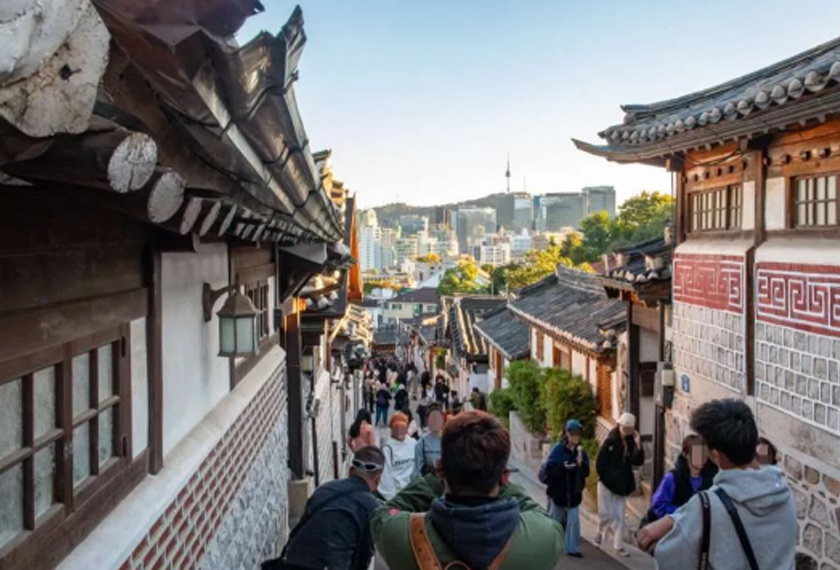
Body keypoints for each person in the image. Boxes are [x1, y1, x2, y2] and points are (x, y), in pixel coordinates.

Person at [371, 411, 564, 570]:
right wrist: (495, 475)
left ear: (440, 469)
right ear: (504, 476)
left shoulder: (402, 536)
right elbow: (540, 515)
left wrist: (435, 479)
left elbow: (381, 515)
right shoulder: (542, 537)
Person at [637, 399, 796, 570]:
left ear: (715, 455)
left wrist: (664, 538)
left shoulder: (706, 507)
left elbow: (671, 561)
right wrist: (673, 519)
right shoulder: (782, 491)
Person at [264, 446, 384, 570]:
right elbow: (364, 555)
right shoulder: (372, 507)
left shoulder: (326, 488)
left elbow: (305, 523)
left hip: (295, 561)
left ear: (351, 471)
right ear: (377, 480)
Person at [640, 434, 717, 526]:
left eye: (704, 454)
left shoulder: (712, 477)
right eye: (697, 454)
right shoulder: (672, 478)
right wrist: (685, 513)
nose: (702, 459)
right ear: (686, 455)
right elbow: (658, 505)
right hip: (673, 527)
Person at [595, 412, 644, 556]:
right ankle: (600, 531)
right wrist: (609, 478)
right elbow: (600, 464)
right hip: (607, 484)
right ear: (619, 425)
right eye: (625, 427)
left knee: (620, 517)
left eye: (630, 428)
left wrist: (638, 444)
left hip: (622, 485)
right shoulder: (610, 441)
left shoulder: (630, 442)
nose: (626, 431)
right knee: (607, 514)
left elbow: (637, 461)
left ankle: (618, 545)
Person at [541, 419, 590, 558]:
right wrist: (563, 467)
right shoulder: (558, 449)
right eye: (573, 433)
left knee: (573, 522)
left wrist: (580, 465)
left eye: (578, 433)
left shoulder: (581, 452)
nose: (576, 436)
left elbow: (586, 472)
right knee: (555, 521)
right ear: (566, 434)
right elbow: (549, 469)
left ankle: (572, 548)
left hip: (574, 494)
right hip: (558, 493)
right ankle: (550, 546)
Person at [379, 412, 418, 500]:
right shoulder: (387, 448)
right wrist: (392, 498)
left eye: (402, 428)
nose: (400, 431)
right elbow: (385, 476)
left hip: (414, 493)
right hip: (397, 495)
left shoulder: (414, 444)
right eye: (396, 428)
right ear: (392, 429)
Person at [413, 404, 444, 478]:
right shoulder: (421, 443)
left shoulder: (449, 440)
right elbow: (417, 469)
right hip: (428, 481)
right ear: (427, 420)